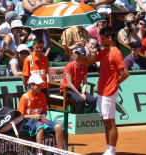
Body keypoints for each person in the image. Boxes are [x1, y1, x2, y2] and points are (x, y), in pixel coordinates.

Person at [65, 26, 129, 155]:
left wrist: (115, 84)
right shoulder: (104, 52)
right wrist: (71, 54)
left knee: (110, 122)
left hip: (109, 92)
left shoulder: (116, 53)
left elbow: (125, 73)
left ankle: (112, 151)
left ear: (110, 38)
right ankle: (108, 149)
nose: (101, 42)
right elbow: (87, 61)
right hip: (102, 91)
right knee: (106, 122)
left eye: (104, 39)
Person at [18, 74, 64, 154]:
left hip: (40, 119)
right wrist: (33, 116)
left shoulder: (42, 96)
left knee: (58, 127)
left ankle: (61, 152)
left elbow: (43, 112)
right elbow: (21, 115)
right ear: (31, 85)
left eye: (41, 85)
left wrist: (43, 116)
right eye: (38, 85)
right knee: (40, 127)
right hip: (28, 122)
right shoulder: (24, 97)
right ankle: (40, 153)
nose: (40, 87)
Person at [60, 47, 97, 114]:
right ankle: (79, 120)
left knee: (93, 100)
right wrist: (80, 94)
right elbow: (69, 84)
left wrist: (82, 93)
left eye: (80, 54)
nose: (78, 55)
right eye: (76, 53)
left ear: (84, 56)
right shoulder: (69, 65)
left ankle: (89, 119)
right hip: (66, 89)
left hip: (78, 89)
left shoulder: (84, 66)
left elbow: (85, 83)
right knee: (81, 100)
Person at [22, 38, 49, 102]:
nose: (39, 49)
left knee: (44, 108)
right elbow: (24, 75)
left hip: (43, 88)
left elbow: (45, 74)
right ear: (33, 46)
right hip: (32, 88)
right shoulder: (28, 59)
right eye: (37, 47)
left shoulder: (45, 59)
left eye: (41, 47)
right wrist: (26, 87)